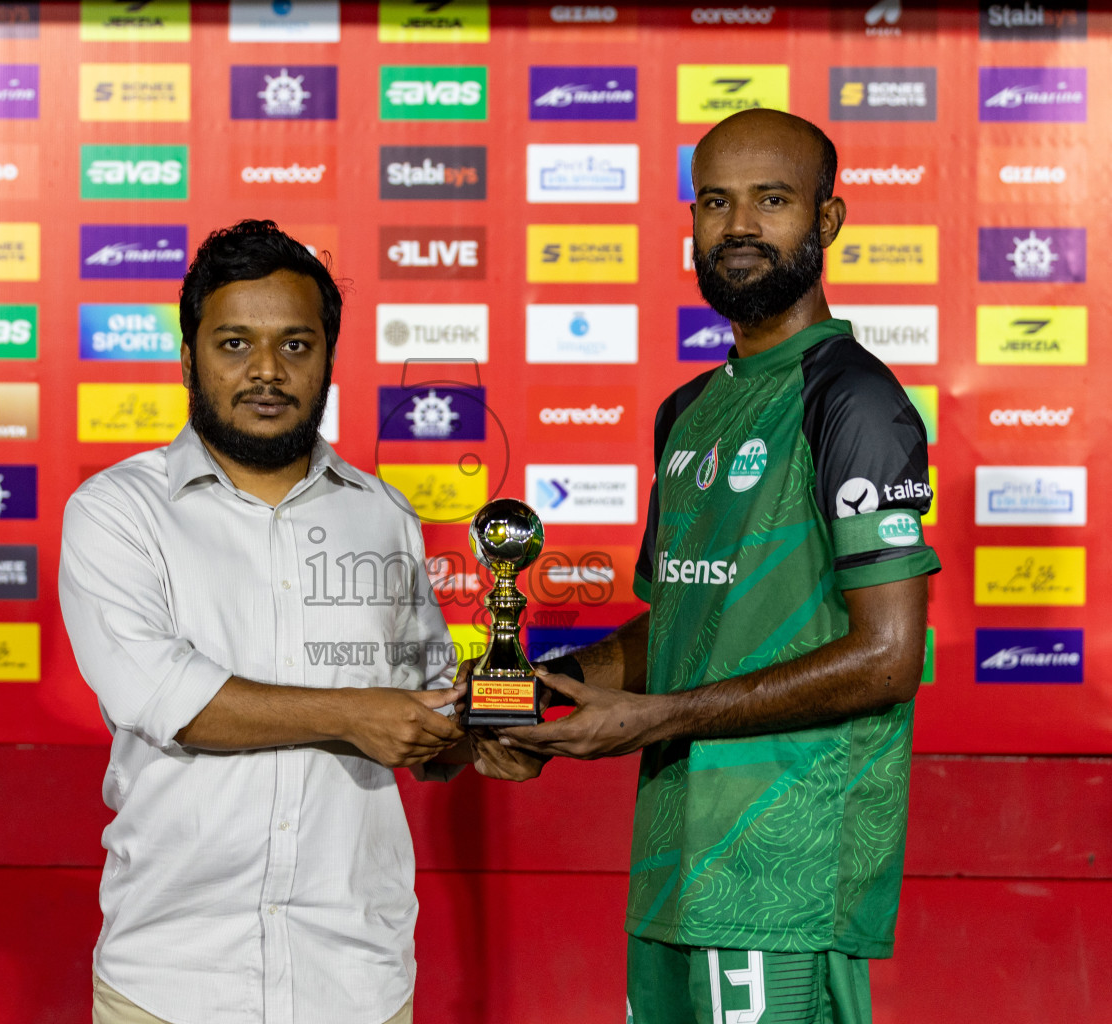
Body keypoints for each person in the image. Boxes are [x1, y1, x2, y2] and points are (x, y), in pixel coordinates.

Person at [495, 109, 942, 1023]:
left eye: (771, 201)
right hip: (671, 869)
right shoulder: (690, 410)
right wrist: (539, 695)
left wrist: (655, 718)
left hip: (783, 881)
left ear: (828, 220)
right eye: (714, 202)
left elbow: (889, 656)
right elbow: (681, 628)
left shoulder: (855, 400)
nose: (738, 227)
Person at [59, 220, 527, 1024]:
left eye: (296, 346)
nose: (267, 371)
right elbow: (168, 699)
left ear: (328, 362)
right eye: (235, 344)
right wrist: (356, 714)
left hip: (354, 980)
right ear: (187, 358)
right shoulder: (117, 511)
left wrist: (482, 730)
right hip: (170, 982)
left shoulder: (383, 517)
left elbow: (418, 721)